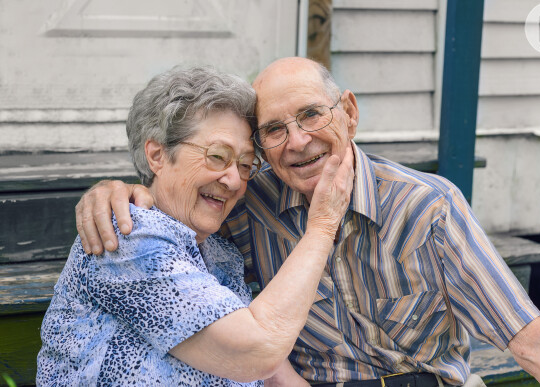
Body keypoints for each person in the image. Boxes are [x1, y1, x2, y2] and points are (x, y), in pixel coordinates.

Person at [75, 58, 540, 387]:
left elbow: (530, 338)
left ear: (350, 114)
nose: (297, 142)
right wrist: (119, 189)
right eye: (274, 129)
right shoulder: (248, 203)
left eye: (312, 115)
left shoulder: (428, 207)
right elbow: (176, 200)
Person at [37, 65, 354, 386]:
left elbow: (278, 379)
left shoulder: (220, 254)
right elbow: (257, 353)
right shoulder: (128, 238)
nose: (233, 180)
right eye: (217, 156)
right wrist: (323, 226)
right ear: (157, 154)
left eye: (245, 164)